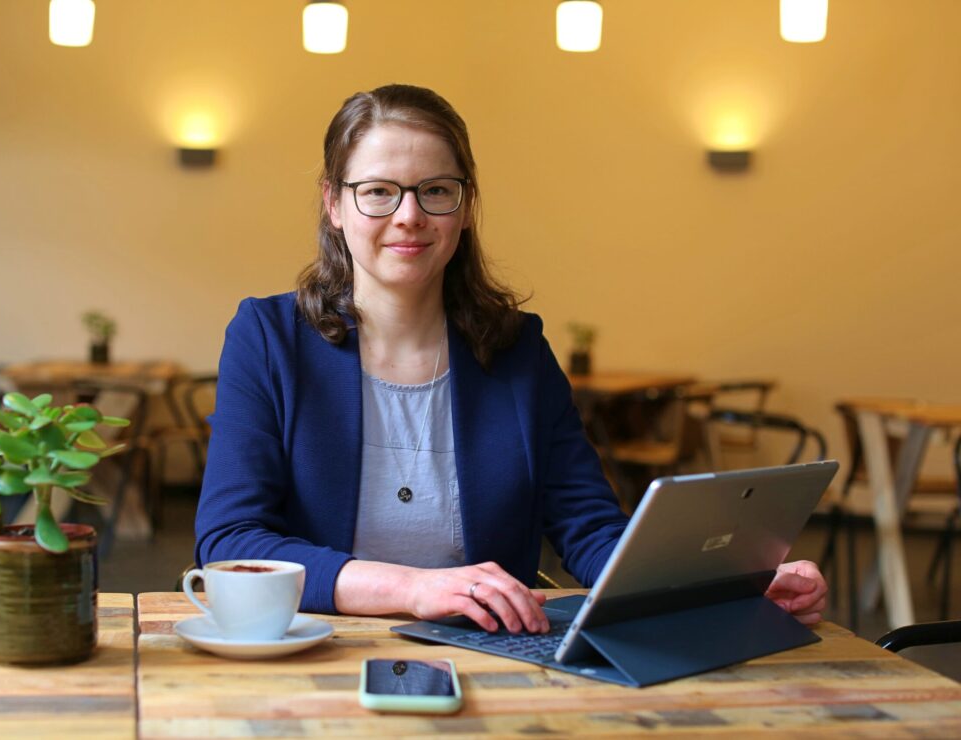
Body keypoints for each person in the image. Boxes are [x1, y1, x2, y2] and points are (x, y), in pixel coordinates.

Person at [194, 83, 827, 635]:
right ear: (335, 205)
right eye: (379, 191)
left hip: (492, 649)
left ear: (465, 207)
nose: (409, 216)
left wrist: (724, 583)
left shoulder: (518, 349)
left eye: (435, 190)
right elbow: (230, 541)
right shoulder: (268, 337)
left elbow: (591, 530)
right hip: (314, 643)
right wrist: (413, 589)